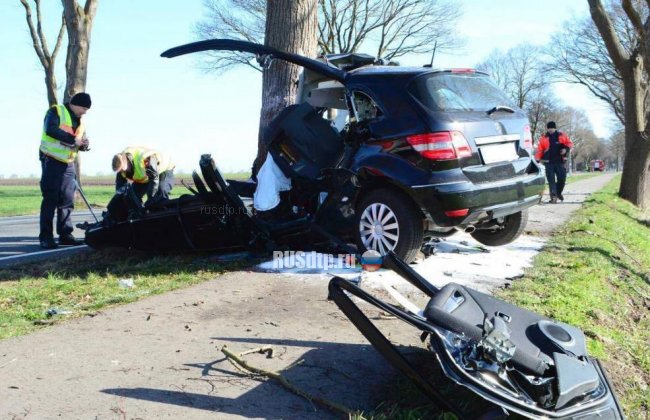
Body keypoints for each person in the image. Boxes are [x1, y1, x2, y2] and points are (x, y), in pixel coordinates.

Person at [38, 92, 92, 249]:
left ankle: (65, 234)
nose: (85, 112)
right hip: (51, 159)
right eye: (84, 108)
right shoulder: (55, 111)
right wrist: (72, 139)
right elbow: (50, 130)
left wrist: (84, 144)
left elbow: (78, 141)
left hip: (68, 162)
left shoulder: (81, 122)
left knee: (67, 199)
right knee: (51, 198)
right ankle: (46, 237)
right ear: (75, 104)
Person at [535, 121, 573, 203]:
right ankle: (553, 197)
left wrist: (565, 149)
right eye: (548, 128)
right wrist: (537, 159)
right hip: (549, 163)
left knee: (562, 179)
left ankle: (558, 193)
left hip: (560, 162)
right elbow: (540, 150)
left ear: (555, 128)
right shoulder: (543, 138)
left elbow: (569, 143)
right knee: (551, 180)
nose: (550, 130)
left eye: (552, 128)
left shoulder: (562, 135)